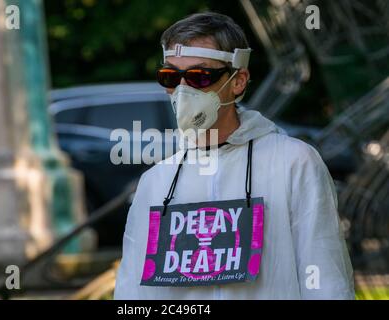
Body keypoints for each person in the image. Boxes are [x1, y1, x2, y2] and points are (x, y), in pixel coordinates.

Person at [114, 12, 354, 300]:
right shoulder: (157, 181)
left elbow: (324, 277)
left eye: (199, 77)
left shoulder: (294, 162)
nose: (182, 90)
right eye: (170, 77)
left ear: (238, 81)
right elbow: (134, 292)